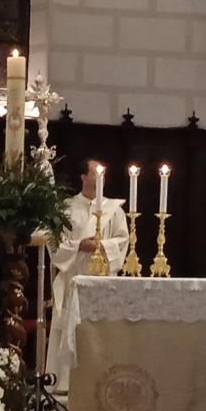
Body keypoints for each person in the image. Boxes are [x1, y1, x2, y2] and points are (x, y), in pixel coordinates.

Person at [42, 160, 129, 394]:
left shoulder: (114, 209)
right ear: (83, 177)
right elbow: (53, 243)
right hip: (75, 280)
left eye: (103, 173)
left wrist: (102, 246)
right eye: (95, 173)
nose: (100, 177)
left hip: (103, 282)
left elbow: (123, 240)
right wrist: (80, 245)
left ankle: (100, 380)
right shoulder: (67, 208)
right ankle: (65, 382)